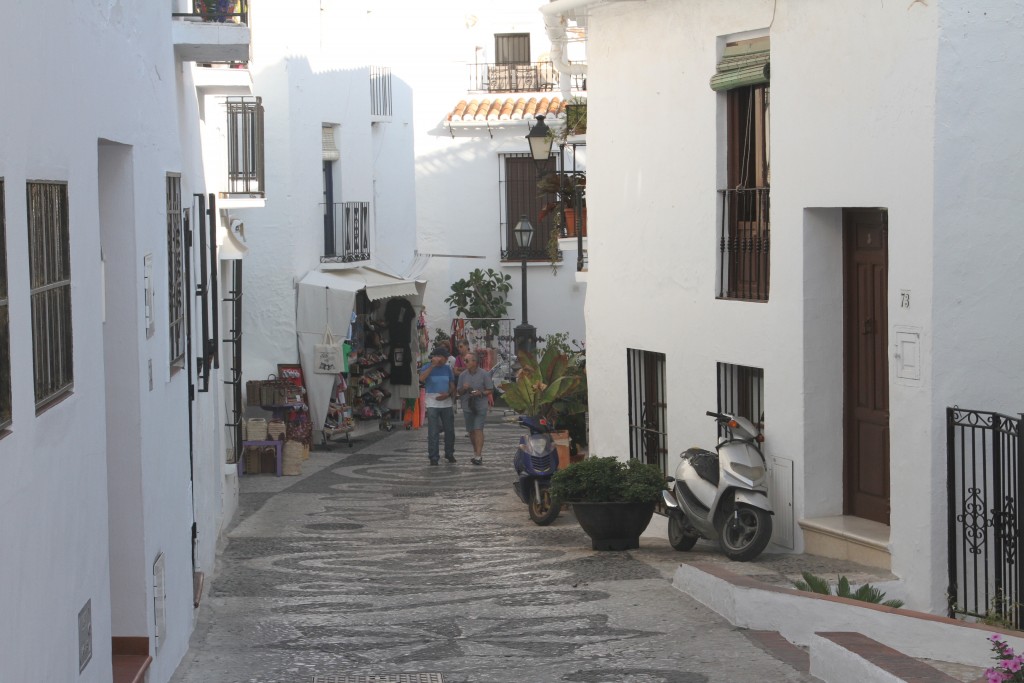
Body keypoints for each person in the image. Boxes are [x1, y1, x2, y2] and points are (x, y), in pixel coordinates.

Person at [419, 347, 456, 465]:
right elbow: (421, 379)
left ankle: (449, 453)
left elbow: (452, 385)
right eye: (445, 357)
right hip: (432, 403)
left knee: (449, 430)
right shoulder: (426, 367)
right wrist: (432, 366)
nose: (446, 360)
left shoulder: (448, 368)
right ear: (438, 357)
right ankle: (433, 457)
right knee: (433, 431)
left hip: (446, 403)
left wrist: (448, 394)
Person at [456, 352, 494, 466]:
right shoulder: (463, 375)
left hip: (480, 405)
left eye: (467, 360)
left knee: (478, 429)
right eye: (464, 360)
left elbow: (490, 390)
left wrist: (480, 393)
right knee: (471, 431)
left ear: (474, 362)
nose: (465, 362)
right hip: (468, 406)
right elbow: (459, 391)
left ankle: (478, 455)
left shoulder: (484, 374)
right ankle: (475, 451)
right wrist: (464, 388)